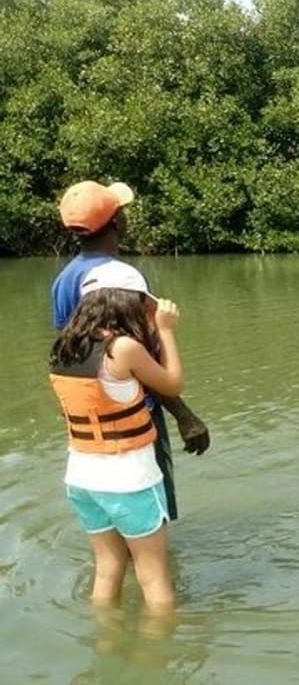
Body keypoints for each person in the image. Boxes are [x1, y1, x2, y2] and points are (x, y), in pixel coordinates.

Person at [51, 180, 209, 521]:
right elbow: (143, 355)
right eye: (120, 211)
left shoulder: (63, 281)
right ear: (115, 222)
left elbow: (71, 354)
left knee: (111, 525)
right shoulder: (123, 279)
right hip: (135, 415)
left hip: (88, 424)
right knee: (152, 522)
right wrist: (184, 415)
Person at [49, 261, 185, 609]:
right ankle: (157, 655)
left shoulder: (65, 348)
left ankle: (107, 642)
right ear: (128, 303)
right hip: (129, 479)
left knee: (108, 568)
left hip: (82, 479)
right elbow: (172, 383)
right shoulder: (123, 349)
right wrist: (166, 330)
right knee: (153, 574)